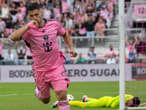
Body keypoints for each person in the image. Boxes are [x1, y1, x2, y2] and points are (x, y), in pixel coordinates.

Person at [10, 3, 77, 110]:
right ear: (28, 17)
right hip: (40, 70)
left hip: (56, 66)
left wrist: (71, 48)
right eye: (31, 16)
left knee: (61, 93)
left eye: (36, 15)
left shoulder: (54, 24)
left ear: (41, 13)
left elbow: (64, 34)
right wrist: (27, 26)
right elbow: (13, 37)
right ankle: (38, 91)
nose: (34, 18)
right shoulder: (28, 31)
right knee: (45, 100)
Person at [53, 94, 141, 108]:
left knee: (96, 101)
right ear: (131, 100)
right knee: (85, 105)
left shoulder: (130, 97)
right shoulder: (123, 100)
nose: (130, 105)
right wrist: (124, 106)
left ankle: (86, 99)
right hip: (106, 102)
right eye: (131, 103)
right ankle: (61, 103)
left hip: (106, 99)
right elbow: (113, 106)